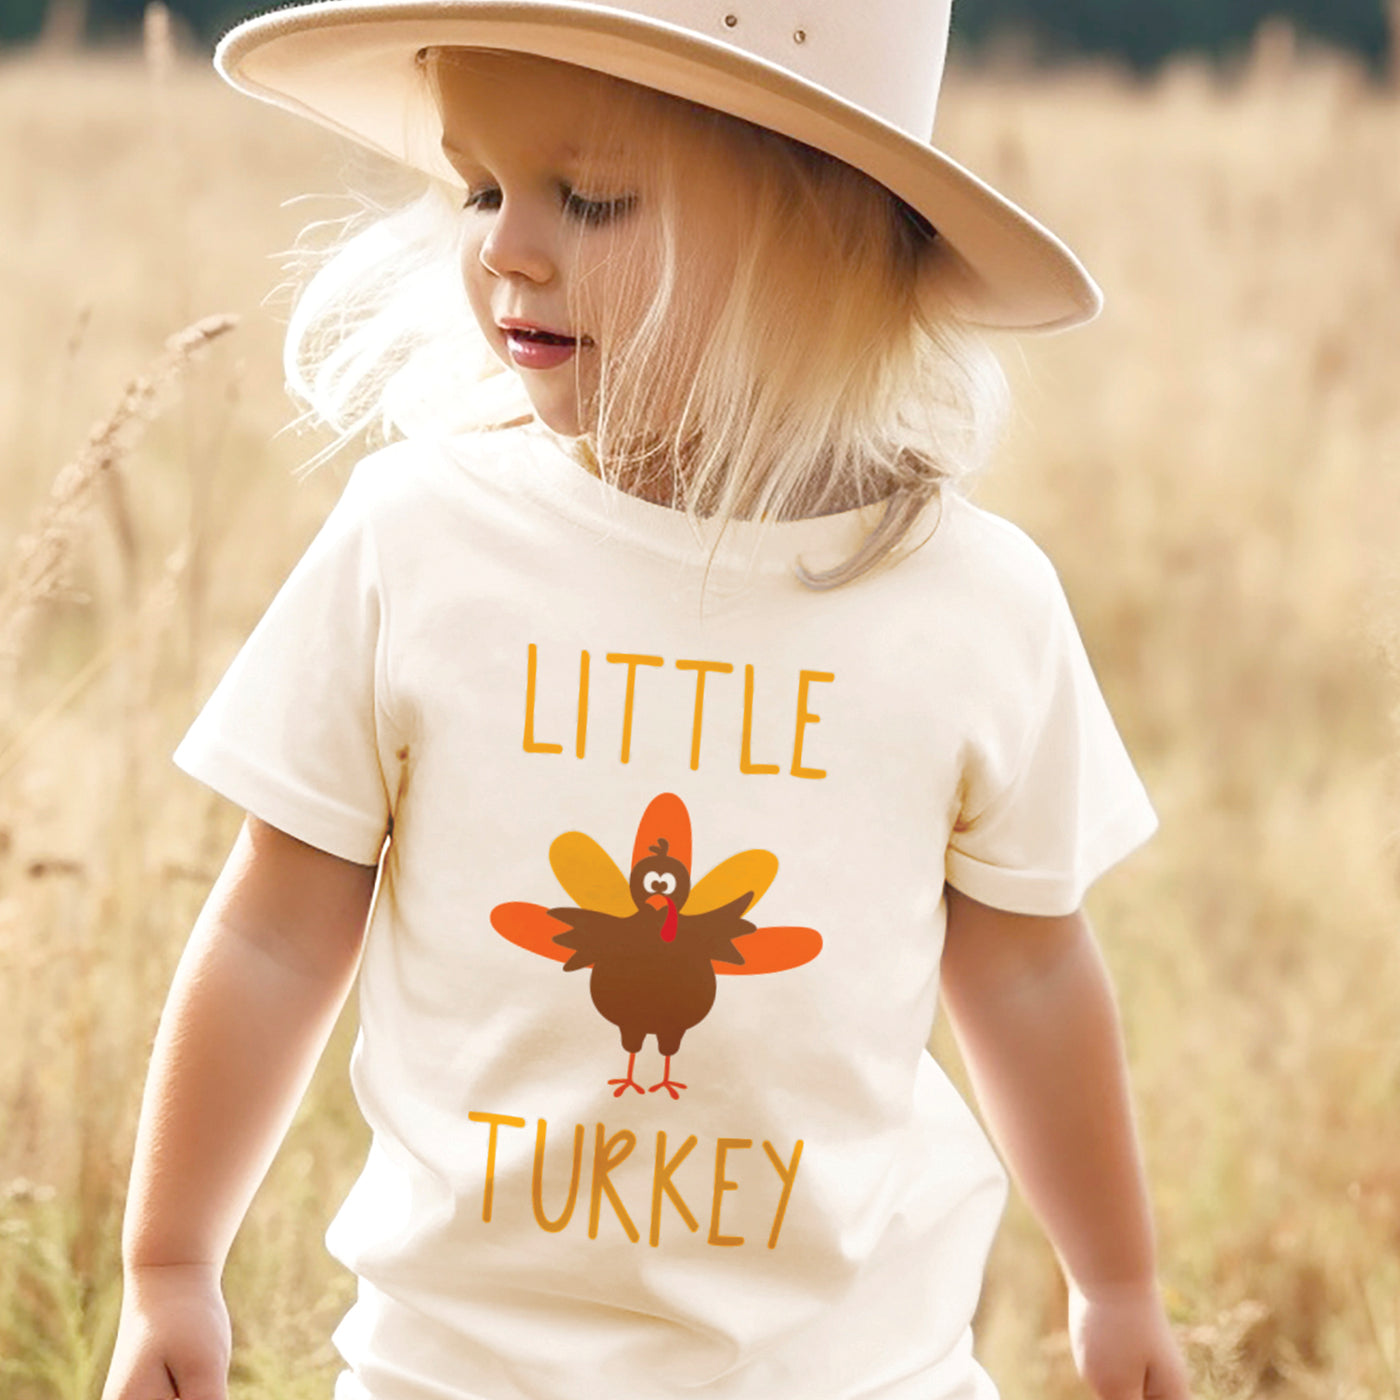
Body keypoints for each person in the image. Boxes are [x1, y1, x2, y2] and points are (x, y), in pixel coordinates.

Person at [102, 2, 1193, 1399]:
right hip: (461, 1372)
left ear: (830, 238)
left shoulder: (975, 604)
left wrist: (1117, 1283)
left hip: (853, 1372)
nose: (502, 244)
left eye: (592, 197)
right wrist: (170, 1263)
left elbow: (1031, 967)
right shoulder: (418, 542)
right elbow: (271, 929)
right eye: (482, 185)